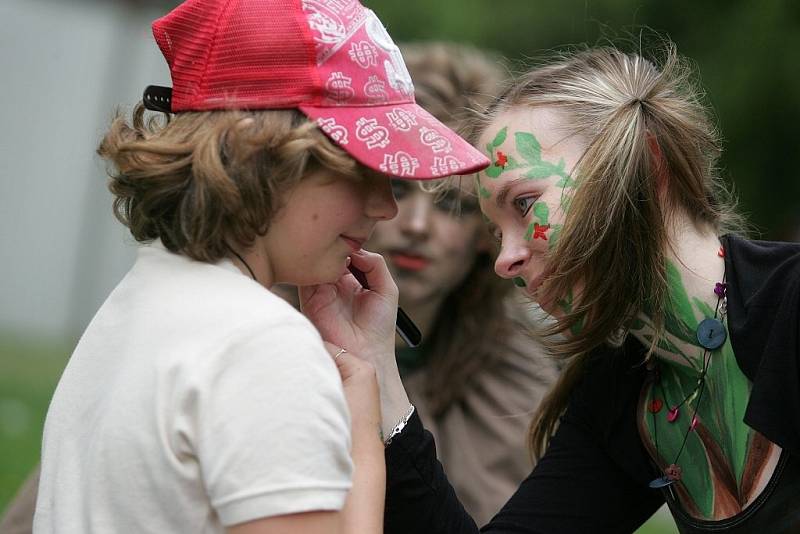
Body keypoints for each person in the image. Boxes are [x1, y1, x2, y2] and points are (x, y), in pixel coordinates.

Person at [31, 0, 489, 532]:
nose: (385, 206)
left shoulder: (144, 297)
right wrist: (364, 433)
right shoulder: (263, 346)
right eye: (361, 166)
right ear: (262, 153)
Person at [310, 43, 800, 533]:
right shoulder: (626, 389)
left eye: (523, 205)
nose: (505, 259)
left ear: (648, 164)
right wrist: (378, 370)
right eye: (495, 233)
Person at [365, 42, 558, 524]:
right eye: (398, 186)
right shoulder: (275, 322)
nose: (415, 225)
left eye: (450, 204)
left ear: (486, 231)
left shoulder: (516, 375)